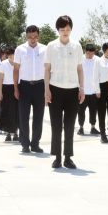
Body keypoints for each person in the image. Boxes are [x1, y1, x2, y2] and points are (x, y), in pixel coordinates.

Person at [44, 15, 85, 169]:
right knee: (56, 126)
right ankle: (57, 157)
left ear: (71, 29)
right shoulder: (51, 46)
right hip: (55, 89)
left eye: (68, 29)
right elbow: (47, 69)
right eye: (62, 29)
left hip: (72, 90)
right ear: (58, 30)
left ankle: (68, 157)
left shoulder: (77, 46)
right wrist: (46, 90)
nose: (65, 32)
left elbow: (80, 69)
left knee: (69, 125)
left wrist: (82, 88)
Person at [13, 25, 47, 154]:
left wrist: (47, 89)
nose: (33, 39)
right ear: (26, 36)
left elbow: (48, 69)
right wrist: (16, 88)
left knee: (39, 117)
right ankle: (25, 144)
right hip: (24, 86)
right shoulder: (20, 49)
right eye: (30, 37)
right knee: (23, 117)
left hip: (40, 86)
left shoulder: (45, 49)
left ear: (38, 36)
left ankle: (35, 144)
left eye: (35, 37)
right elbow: (16, 70)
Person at [77, 44, 100, 136]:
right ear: (85, 51)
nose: (90, 55)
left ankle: (93, 127)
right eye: (88, 53)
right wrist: (78, 89)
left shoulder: (97, 60)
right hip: (82, 91)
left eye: (92, 53)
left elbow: (99, 75)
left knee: (93, 111)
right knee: (81, 111)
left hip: (94, 91)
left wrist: (98, 90)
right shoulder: (80, 59)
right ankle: (81, 127)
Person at [0, 46, 19, 142]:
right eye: (9, 55)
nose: (11, 57)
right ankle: (7, 133)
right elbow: (0, 78)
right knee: (6, 111)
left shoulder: (18, 63)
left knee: (16, 111)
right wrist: (0, 92)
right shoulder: (3, 64)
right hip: (6, 89)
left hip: (16, 87)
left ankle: (16, 133)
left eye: (12, 55)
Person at [96, 42, 108, 144]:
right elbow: (95, 76)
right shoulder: (98, 61)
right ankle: (103, 134)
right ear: (103, 51)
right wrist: (97, 90)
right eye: (107, 51)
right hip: (101, 87)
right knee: (101, 112)